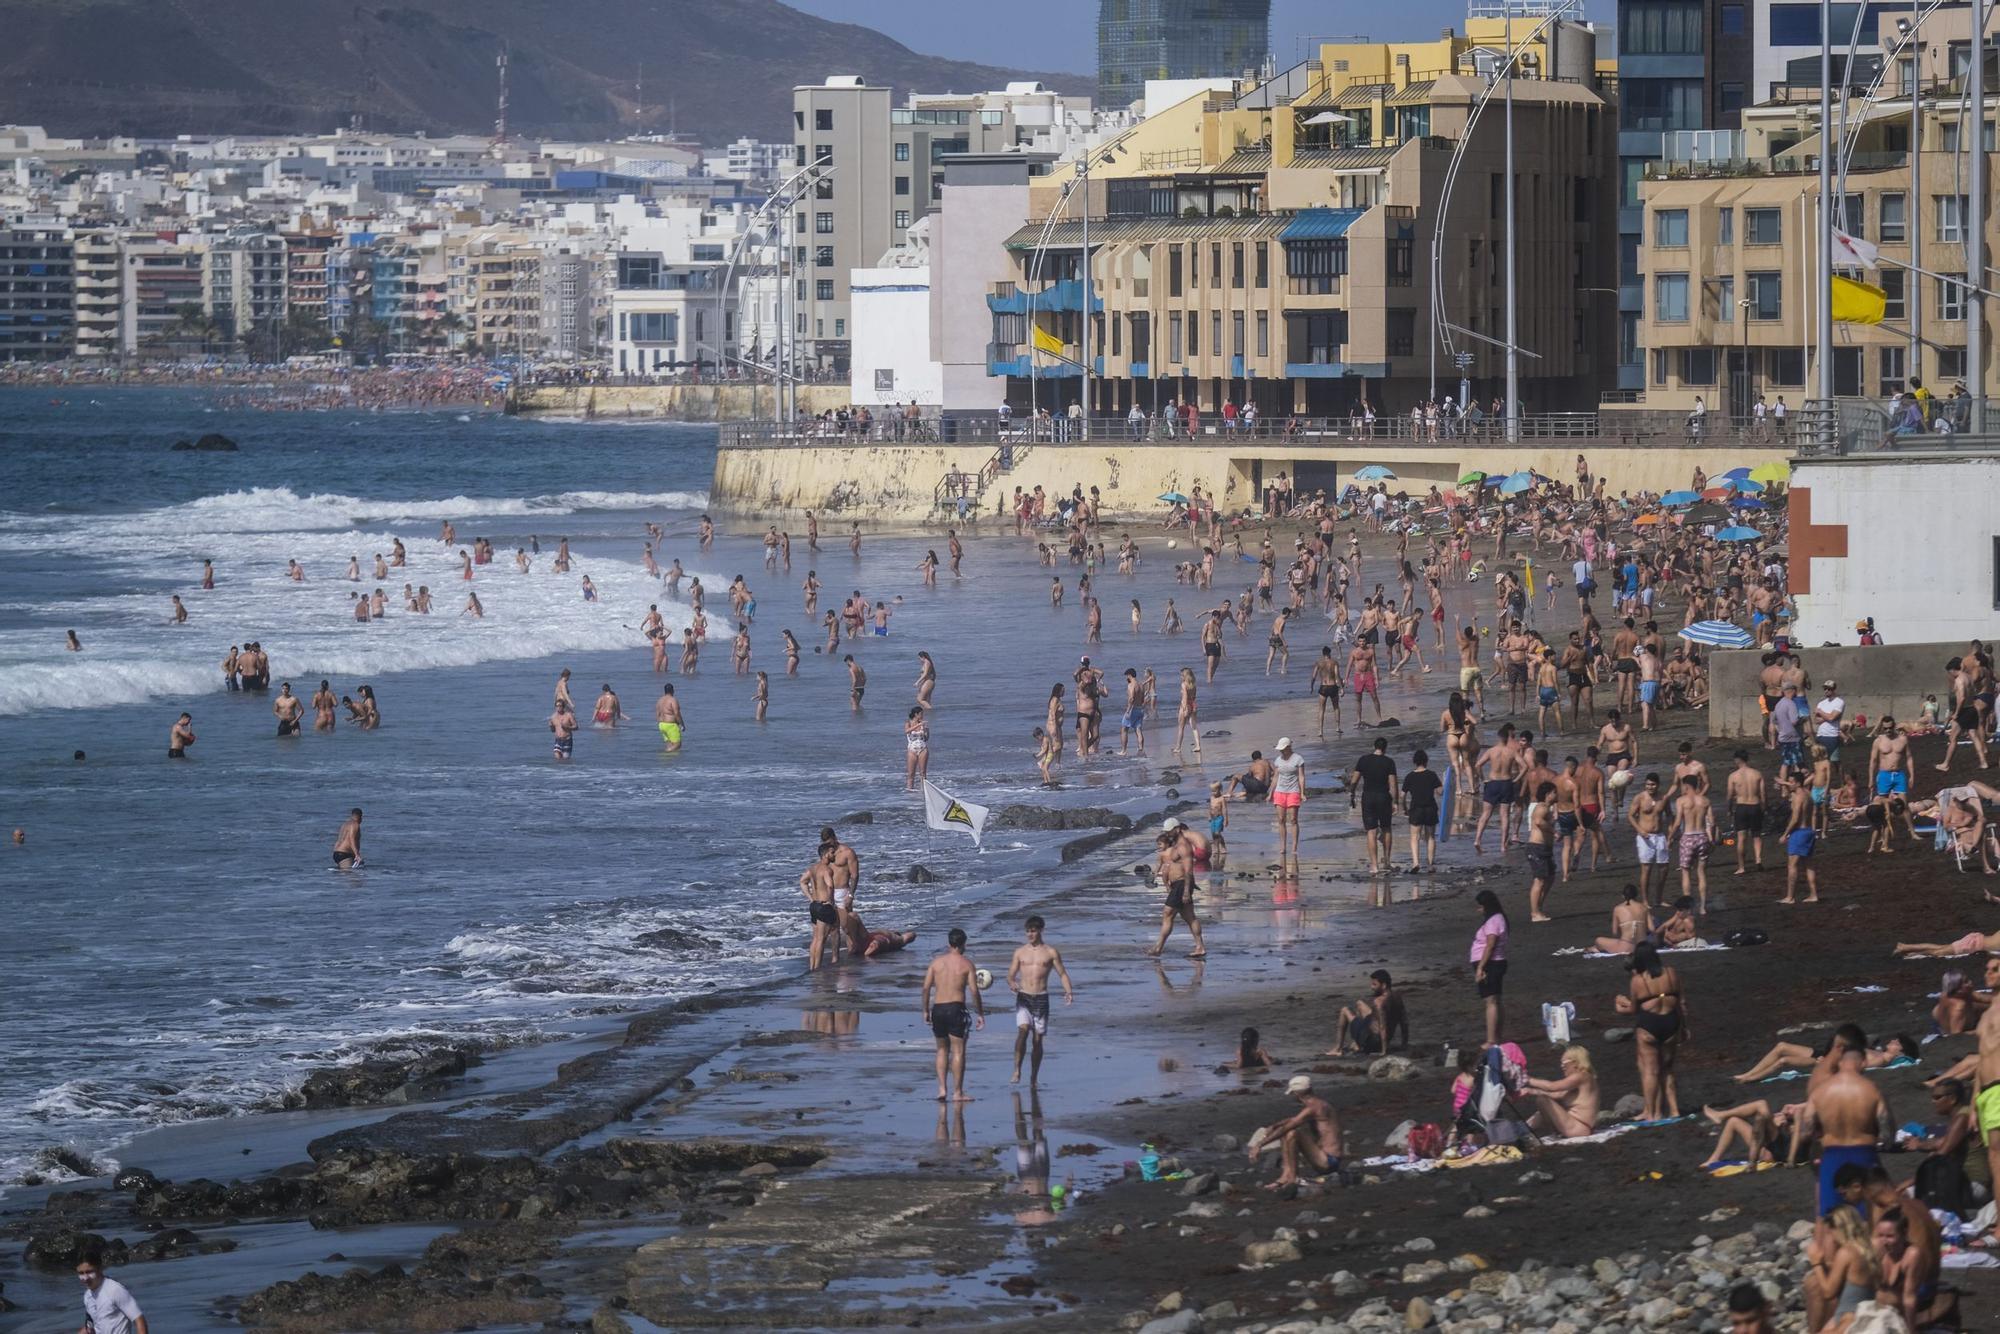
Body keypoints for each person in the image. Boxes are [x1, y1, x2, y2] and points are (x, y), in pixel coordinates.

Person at [1808, 1024, 1892, 1217]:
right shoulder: (1871, 1089)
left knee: (1831, 1217)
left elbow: (1808, 1130)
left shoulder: (1820, 1085)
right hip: (1862, 1152)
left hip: (1830, 1154)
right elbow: (1887, 1135)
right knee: (1872, 1213)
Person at [1615, 941, 1684, 1121]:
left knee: (1650, 1071)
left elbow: (1634, 1010)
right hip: (1671, 1022)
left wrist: (1620, 1006)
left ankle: (1652, 1113)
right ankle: (1675, 1111)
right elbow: (1681, 1003)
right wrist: (1684, 1028)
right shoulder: (1671, 973)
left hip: (1649, 1025)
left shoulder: (1638, 980)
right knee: (1667, 1069)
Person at [1006, 915, 1074, 1086]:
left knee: (1037, 1040)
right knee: (1022, 1032)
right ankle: (1017, 1069)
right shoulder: (1020, 952)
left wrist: (1068, 991)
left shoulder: (1050, 952)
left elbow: (1062, 973)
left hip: (1041, 998)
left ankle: (1034, 1077)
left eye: (1033, 931)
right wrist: (1012, 982)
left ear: (1041, 930)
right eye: (1028, 931)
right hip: (1024, 997)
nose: (1030, 934)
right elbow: (1010, 974)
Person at [921, 927, 986, 1102]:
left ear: (949, 943)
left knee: (941, 1049)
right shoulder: (966, 964)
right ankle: (957, 1092)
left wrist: (925, 1010)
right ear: (963, 944)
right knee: (958, 1051)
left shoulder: (936, 963)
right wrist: (980, 1013)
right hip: (956, 1008)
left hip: (939, 1008)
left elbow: (926, 988)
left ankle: (942, 1089)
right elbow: (974, 991)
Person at [1248, 1074, 1345, 1190]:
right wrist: (1274, 1125)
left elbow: (1289, 1126)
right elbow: (1293, 1120)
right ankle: (1285, 1176)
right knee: (1288, 1130)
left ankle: (1293, 1178)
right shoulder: (1318, 1104)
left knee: (1293, 1132)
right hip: (1325, 1157)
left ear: (1297, 1094)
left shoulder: (1313, 1107)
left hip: (1328, 1161)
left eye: (1293, 1094)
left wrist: (1259, 1145)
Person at [1803, 1207, 1880, 1334]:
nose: (1831, 1237)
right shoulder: (1867, 1249)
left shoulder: (1846, 1252)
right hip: (1859, 1314)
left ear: (1838, 1228)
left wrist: (1816, 1263)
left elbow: (1828, 1292)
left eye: (1830, 1232)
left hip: (1848, 1318)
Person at [1732, 1032, 1920, 1083]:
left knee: (1784, 1061)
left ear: (1900, 1052)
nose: (1894, 1040)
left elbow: (1855, 1067)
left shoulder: (1881, 1060)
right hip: (1829, 1054)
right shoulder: (1878, 1051)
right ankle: (1747, 1073)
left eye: (1898, 1042)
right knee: (1781, 1046)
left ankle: (1751, 1079)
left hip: (1828, 1061)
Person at [1147, 828, 1208, 959]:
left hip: (1181, 885)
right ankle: (1200, 947)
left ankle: (1158, 947)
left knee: (1167, 914)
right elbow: (1163, 864)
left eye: (1169, 831)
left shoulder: (1183, 846)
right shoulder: (1174, 846)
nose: (1167, 833)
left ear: (1177, 829)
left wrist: (1186, 890)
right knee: (1190, 917)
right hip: (1178, 885)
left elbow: (1188, 870)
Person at [1521, 1045, 1601, 1139]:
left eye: (1564, 1063)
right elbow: (1558, 1095)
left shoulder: (1581, 1076)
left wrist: (1526, 1079)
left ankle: (1521, 1130)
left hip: (1579, 1127)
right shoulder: (1582, 1080)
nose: (1562, 1066)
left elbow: (1552, 1087)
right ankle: (1522, 1129)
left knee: (1543, 1100)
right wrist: (1530, 1091)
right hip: (1577, 1126)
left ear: (1575, 1062)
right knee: (1547, 1103)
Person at [1329, 969, 1406, 1056]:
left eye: (1374, 984)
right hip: (1378, 1036)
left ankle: (1338, 1049)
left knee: (1344, 1010)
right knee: (1360, 1003)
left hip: (1372, 1042)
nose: (1371, 987)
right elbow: (1404, 1022)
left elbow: (1382, 1027)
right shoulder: (1398, 997)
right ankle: (1357, 1042)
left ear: (1384, 985)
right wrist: (1404, 1044)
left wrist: (1384, 1051)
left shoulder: (1379, 1002)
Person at [1349, 736, 1397, 874]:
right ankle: (1387, 862)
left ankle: (1374, 865)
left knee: (1371, 831)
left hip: (1368, 797)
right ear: (1385, 748)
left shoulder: (1364, 760)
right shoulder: (1389, 762)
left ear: (1374, 746)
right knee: (1386, 828)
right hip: (1383, 797)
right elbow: (1393, 785)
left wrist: (1351, 794)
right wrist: (1396, 802)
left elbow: (1354, 780)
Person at [75, 1250, 148, 1334]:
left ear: (100, 1269)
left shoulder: (115, 1290)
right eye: (81, 1273)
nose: (85, 1278)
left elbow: (139, 1320)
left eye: (89, 1272)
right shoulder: (87, 1296)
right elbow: (91, 1326)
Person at [1471, 889, 1508, 1045]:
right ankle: (1496, 1037)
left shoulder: (1494, 921)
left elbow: (1490, 945)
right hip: (1494, 962)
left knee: (1491, 1001)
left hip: (1491, 963)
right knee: (1496, 1000)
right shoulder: (1498, 919)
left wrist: (1481, 967)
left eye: (1480, 906)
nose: (1478, 910)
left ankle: (1491, 1040)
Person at [1402, 748, 1443, 872]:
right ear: (1426, 761)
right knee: (1430, 837)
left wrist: (1404, 808)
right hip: (1430, 808)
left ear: (1415, 762)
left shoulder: (1410, 776)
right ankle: (1430, 864)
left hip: (1416, 809)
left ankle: (1416, 863)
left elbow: (1401, 796)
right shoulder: (1432, 774)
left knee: (1415, 837)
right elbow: (1440, 792)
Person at [1271, 736, 1307, 870]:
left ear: (1287, 747)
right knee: (1280, 819)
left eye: (1282, 749)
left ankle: (1294, 846)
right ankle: (1282, 846)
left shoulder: (1298, 759)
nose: (1280, 751)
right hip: (1280, 791)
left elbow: (1302, 777)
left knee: (1293, 820)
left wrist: (1303, 792)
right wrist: (1270, 792)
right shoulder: (1278, 760)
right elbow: (1275, 777)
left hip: (1293, 791)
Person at [904, 706, 930, 790]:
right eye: (921, 714)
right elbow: (907, 731)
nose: (922, 715)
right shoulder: (908, 722)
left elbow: (926, 738)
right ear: (916, 714)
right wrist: (918, 724)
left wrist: (926, 730)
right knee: (911, 773)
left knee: (923, 772)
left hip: (923, 748)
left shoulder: (923, 724)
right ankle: (910, 790)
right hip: (912, 749)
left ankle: (924, 790)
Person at [655, 684, 684, 752]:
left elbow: (657, 714)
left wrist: (660, 723)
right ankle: (665, 753)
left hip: (661, 725)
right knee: (678, 744)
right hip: (670, 725)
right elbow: (677, 713)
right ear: (673, 690)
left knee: (670, 745)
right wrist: (682, 724)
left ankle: (669, 761)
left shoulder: (660, 700)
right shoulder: (673, 700)